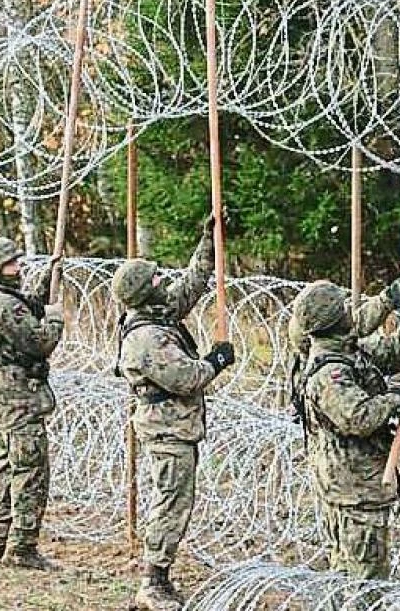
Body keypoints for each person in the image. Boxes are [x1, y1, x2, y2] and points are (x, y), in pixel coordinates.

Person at [290, 273, 400, 586]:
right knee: (365, 583)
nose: (352, 310)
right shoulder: (329, 372)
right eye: (344, 306)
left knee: (348, 576)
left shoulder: (346, 351)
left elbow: (396, 350)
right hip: (354, 492)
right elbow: (359, 418)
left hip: (354, 487)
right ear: (336, 319)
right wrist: (399, 396)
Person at [113, 215, 236, 611]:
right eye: (154, 280)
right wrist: (215, 362)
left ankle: (158, 575)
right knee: (170, 502)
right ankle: (153, 581)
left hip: (176, 426)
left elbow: (192, 284)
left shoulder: (156, 313)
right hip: (167, 430)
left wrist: (209, 242)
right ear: (142, 293)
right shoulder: (146, 338)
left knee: (174, 500)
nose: (161, 282)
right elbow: (186, 377)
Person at [0, 237, 64, 571]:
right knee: (29, 472)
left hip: (5, 397)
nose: (18, 267)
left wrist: (48, 278)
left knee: (6, 470)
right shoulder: (1, 304)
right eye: (12, 263)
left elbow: (27, 306)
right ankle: (21, 548)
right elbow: (39, 341)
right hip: (19, 398)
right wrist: (55, 318)